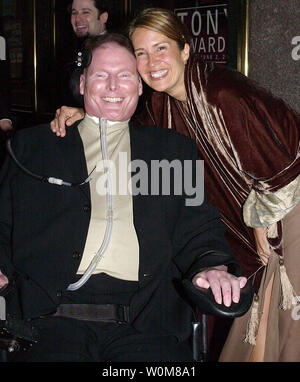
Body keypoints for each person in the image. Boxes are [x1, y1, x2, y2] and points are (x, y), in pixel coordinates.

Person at [50, 8, 300, 362]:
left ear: (184, 50)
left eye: (161, 48)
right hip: (254, 220)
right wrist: (85, 118)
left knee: (287, 320)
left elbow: (282, 169)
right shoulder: (159, 106)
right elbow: (128, 129)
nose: (152, 62)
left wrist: (262, 226)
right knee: (260, 325)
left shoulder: (223, 92)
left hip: (290, 208)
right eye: (140, 53)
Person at [0, 33, 246, 362]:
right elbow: (4, 223)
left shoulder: (170, 152)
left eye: (125, 75)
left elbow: (198, 229)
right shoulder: (34, 148)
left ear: (140, 86)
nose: (114, 86)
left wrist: (212, 265)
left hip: (145, 322)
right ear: (82, 83)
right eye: (102, 75)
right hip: (50, 321)